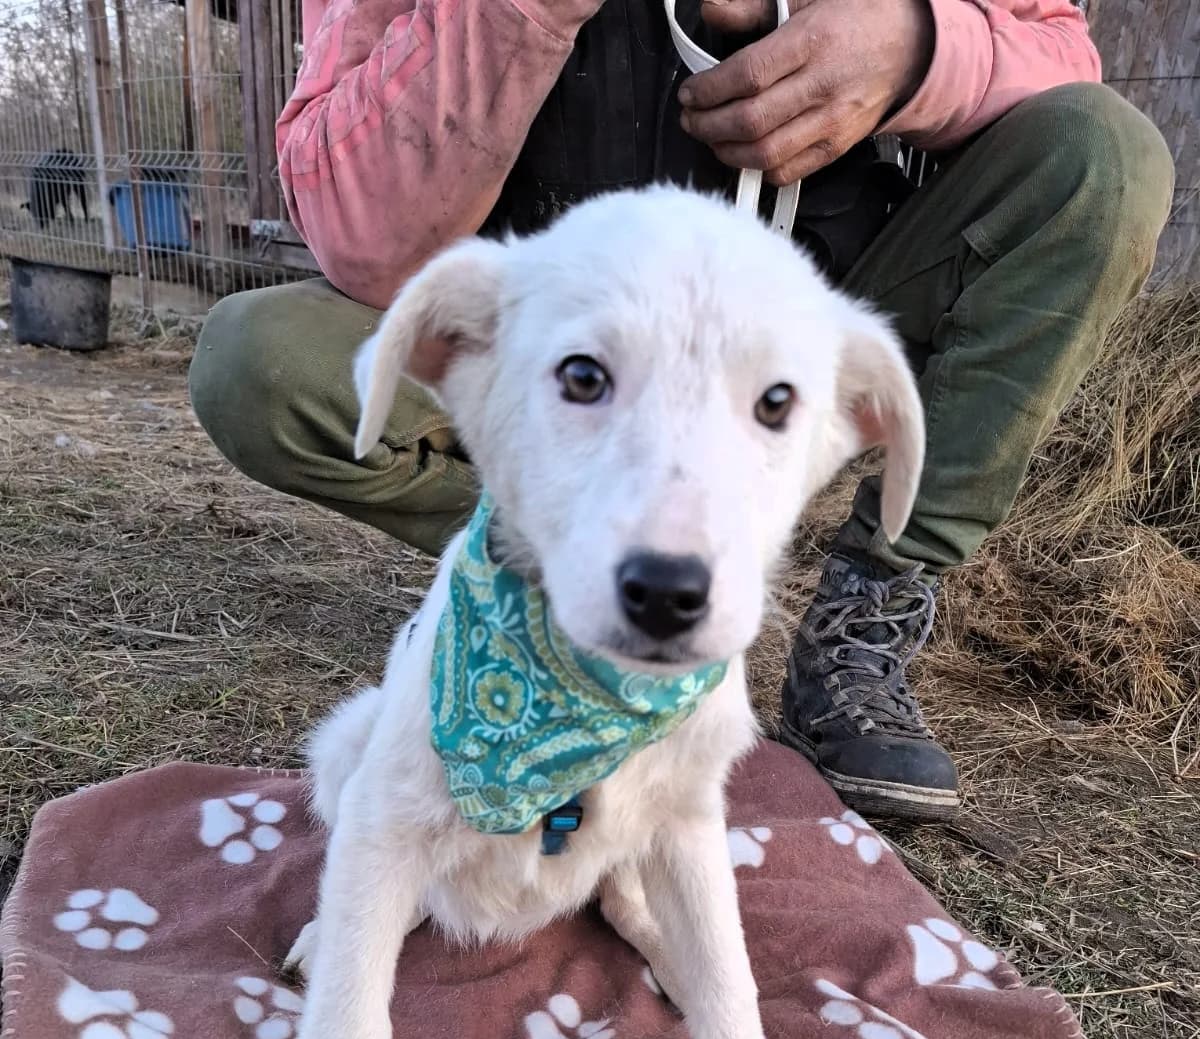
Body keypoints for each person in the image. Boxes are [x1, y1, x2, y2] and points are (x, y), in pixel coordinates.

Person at [189, 0, 1173, 821]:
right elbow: (356, 230)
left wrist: (916, 46)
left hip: (813, 318)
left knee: (1102, 156)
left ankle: (865, 615)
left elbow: (1054, 44)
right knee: (260, 362)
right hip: (556, 352)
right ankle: (553, 580)